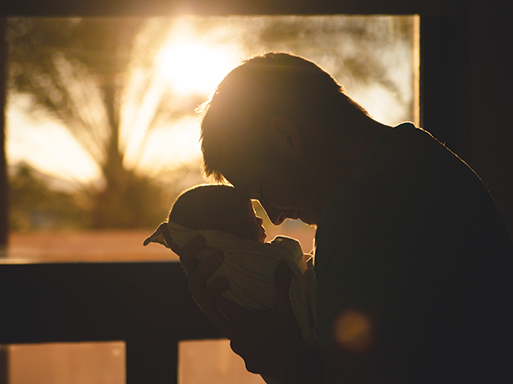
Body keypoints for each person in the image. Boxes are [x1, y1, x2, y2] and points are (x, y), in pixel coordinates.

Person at [170, 52, 513, 383]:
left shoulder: (362, 211)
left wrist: (280, 355)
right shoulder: (421, 160)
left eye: (262, 190)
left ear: (285, 137)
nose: (274, 217)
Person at [143, 185, 317, 384]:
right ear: (221, 238)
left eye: (264, 187)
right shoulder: (245, 264)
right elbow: (290, 258)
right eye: (249, 217)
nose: (267, 217)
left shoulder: (216, 274)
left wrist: (293, 361)